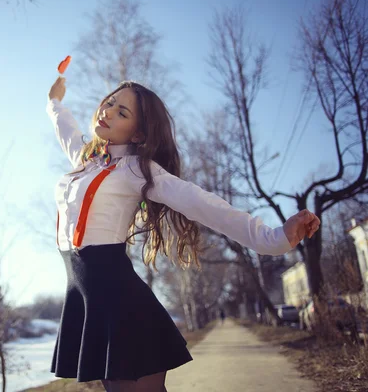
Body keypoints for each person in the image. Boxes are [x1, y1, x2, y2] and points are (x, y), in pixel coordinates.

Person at [46, 76, 320, 392]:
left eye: (122, 112)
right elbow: (63, 126)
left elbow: (201, 203)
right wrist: (54, 100)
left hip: (118, 298)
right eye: (109, 103)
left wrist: (274, 238)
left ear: (137, 132)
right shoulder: (85, 157)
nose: (107, 112)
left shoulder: (137, 168)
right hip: (88, 296)